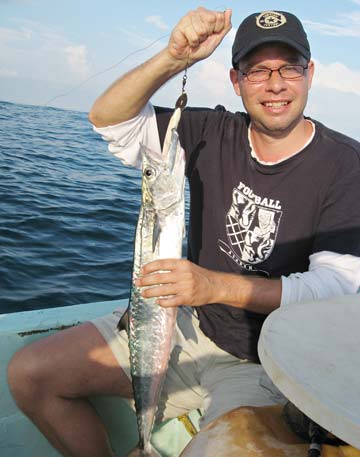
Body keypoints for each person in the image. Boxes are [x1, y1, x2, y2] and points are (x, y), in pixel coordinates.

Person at [7, 8, 360, 457]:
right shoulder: (211, 132)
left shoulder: (346, 166)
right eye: (257, 71)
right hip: (185, 326)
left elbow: (334, 288)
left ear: (309, 74)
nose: (275, 84)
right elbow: (110, 121)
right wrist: (173, 60)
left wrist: (210, 284)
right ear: (236, 81)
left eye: (288, 67)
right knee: (31, 374)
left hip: (267, 361)